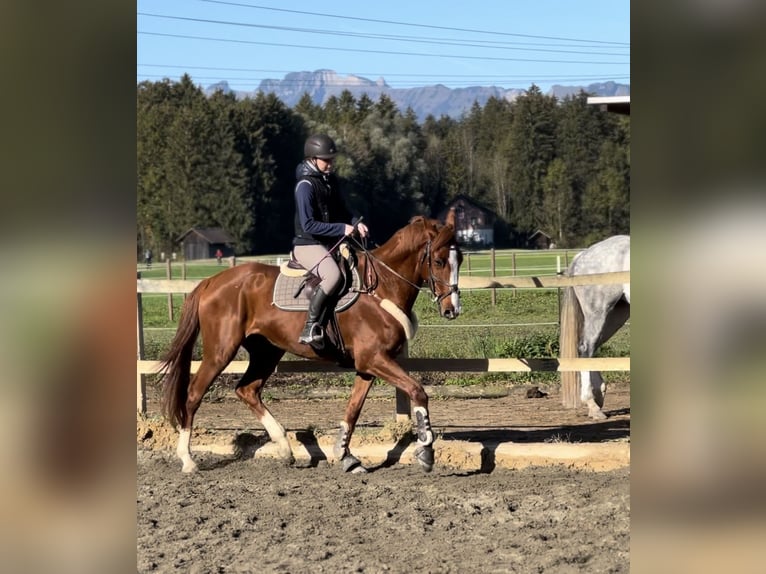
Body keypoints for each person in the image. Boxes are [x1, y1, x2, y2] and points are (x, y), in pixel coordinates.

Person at [293, 133, 369, 345]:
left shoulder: (330, 181)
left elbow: (343, 208)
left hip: (327, 243)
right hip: (307, 244)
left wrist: (355, 222)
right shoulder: (305, 186)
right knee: (333, 275)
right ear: (312, 159)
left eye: (332, 159)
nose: (330, 163)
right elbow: (308, 225)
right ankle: (310, 326)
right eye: (326, 160)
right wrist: (341, 228)